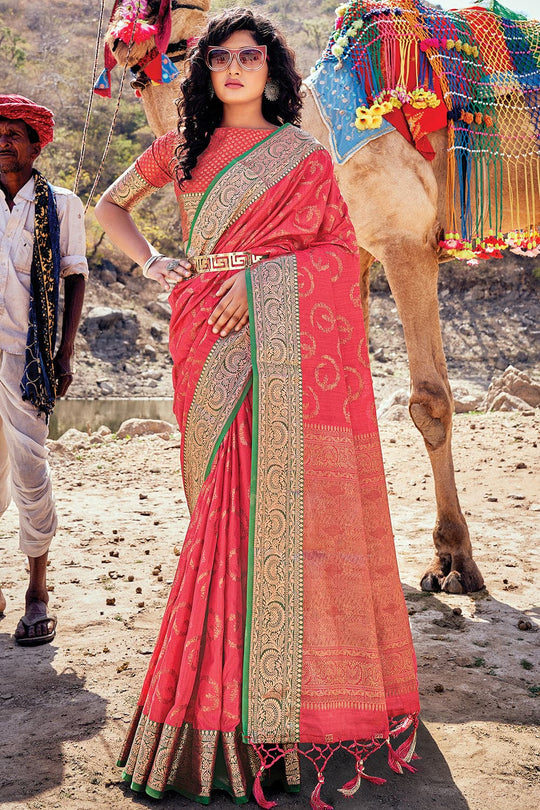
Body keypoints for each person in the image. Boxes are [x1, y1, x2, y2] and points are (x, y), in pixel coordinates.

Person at [95, 8, 420, 806]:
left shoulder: (306, 158)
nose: (236, 68)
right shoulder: (181, 150)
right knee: (216, 509)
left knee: (266, 513)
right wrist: (156, 266)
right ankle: (227, 707)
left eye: (251, 56)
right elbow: (110, 207)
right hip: (203, 330)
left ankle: (273, 706)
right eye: (221, 58)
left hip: (276, 336)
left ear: (273, 70)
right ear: (205, 71)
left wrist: (260, 282)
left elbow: (338, 253)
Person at [0, 95, 88, 646]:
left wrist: (63, 354)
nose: (3, 141)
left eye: (14, 133)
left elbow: (74, 276)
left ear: (36, 145)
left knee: (30, 471)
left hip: (26, 356)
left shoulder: (62, 205)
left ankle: (37, 594)